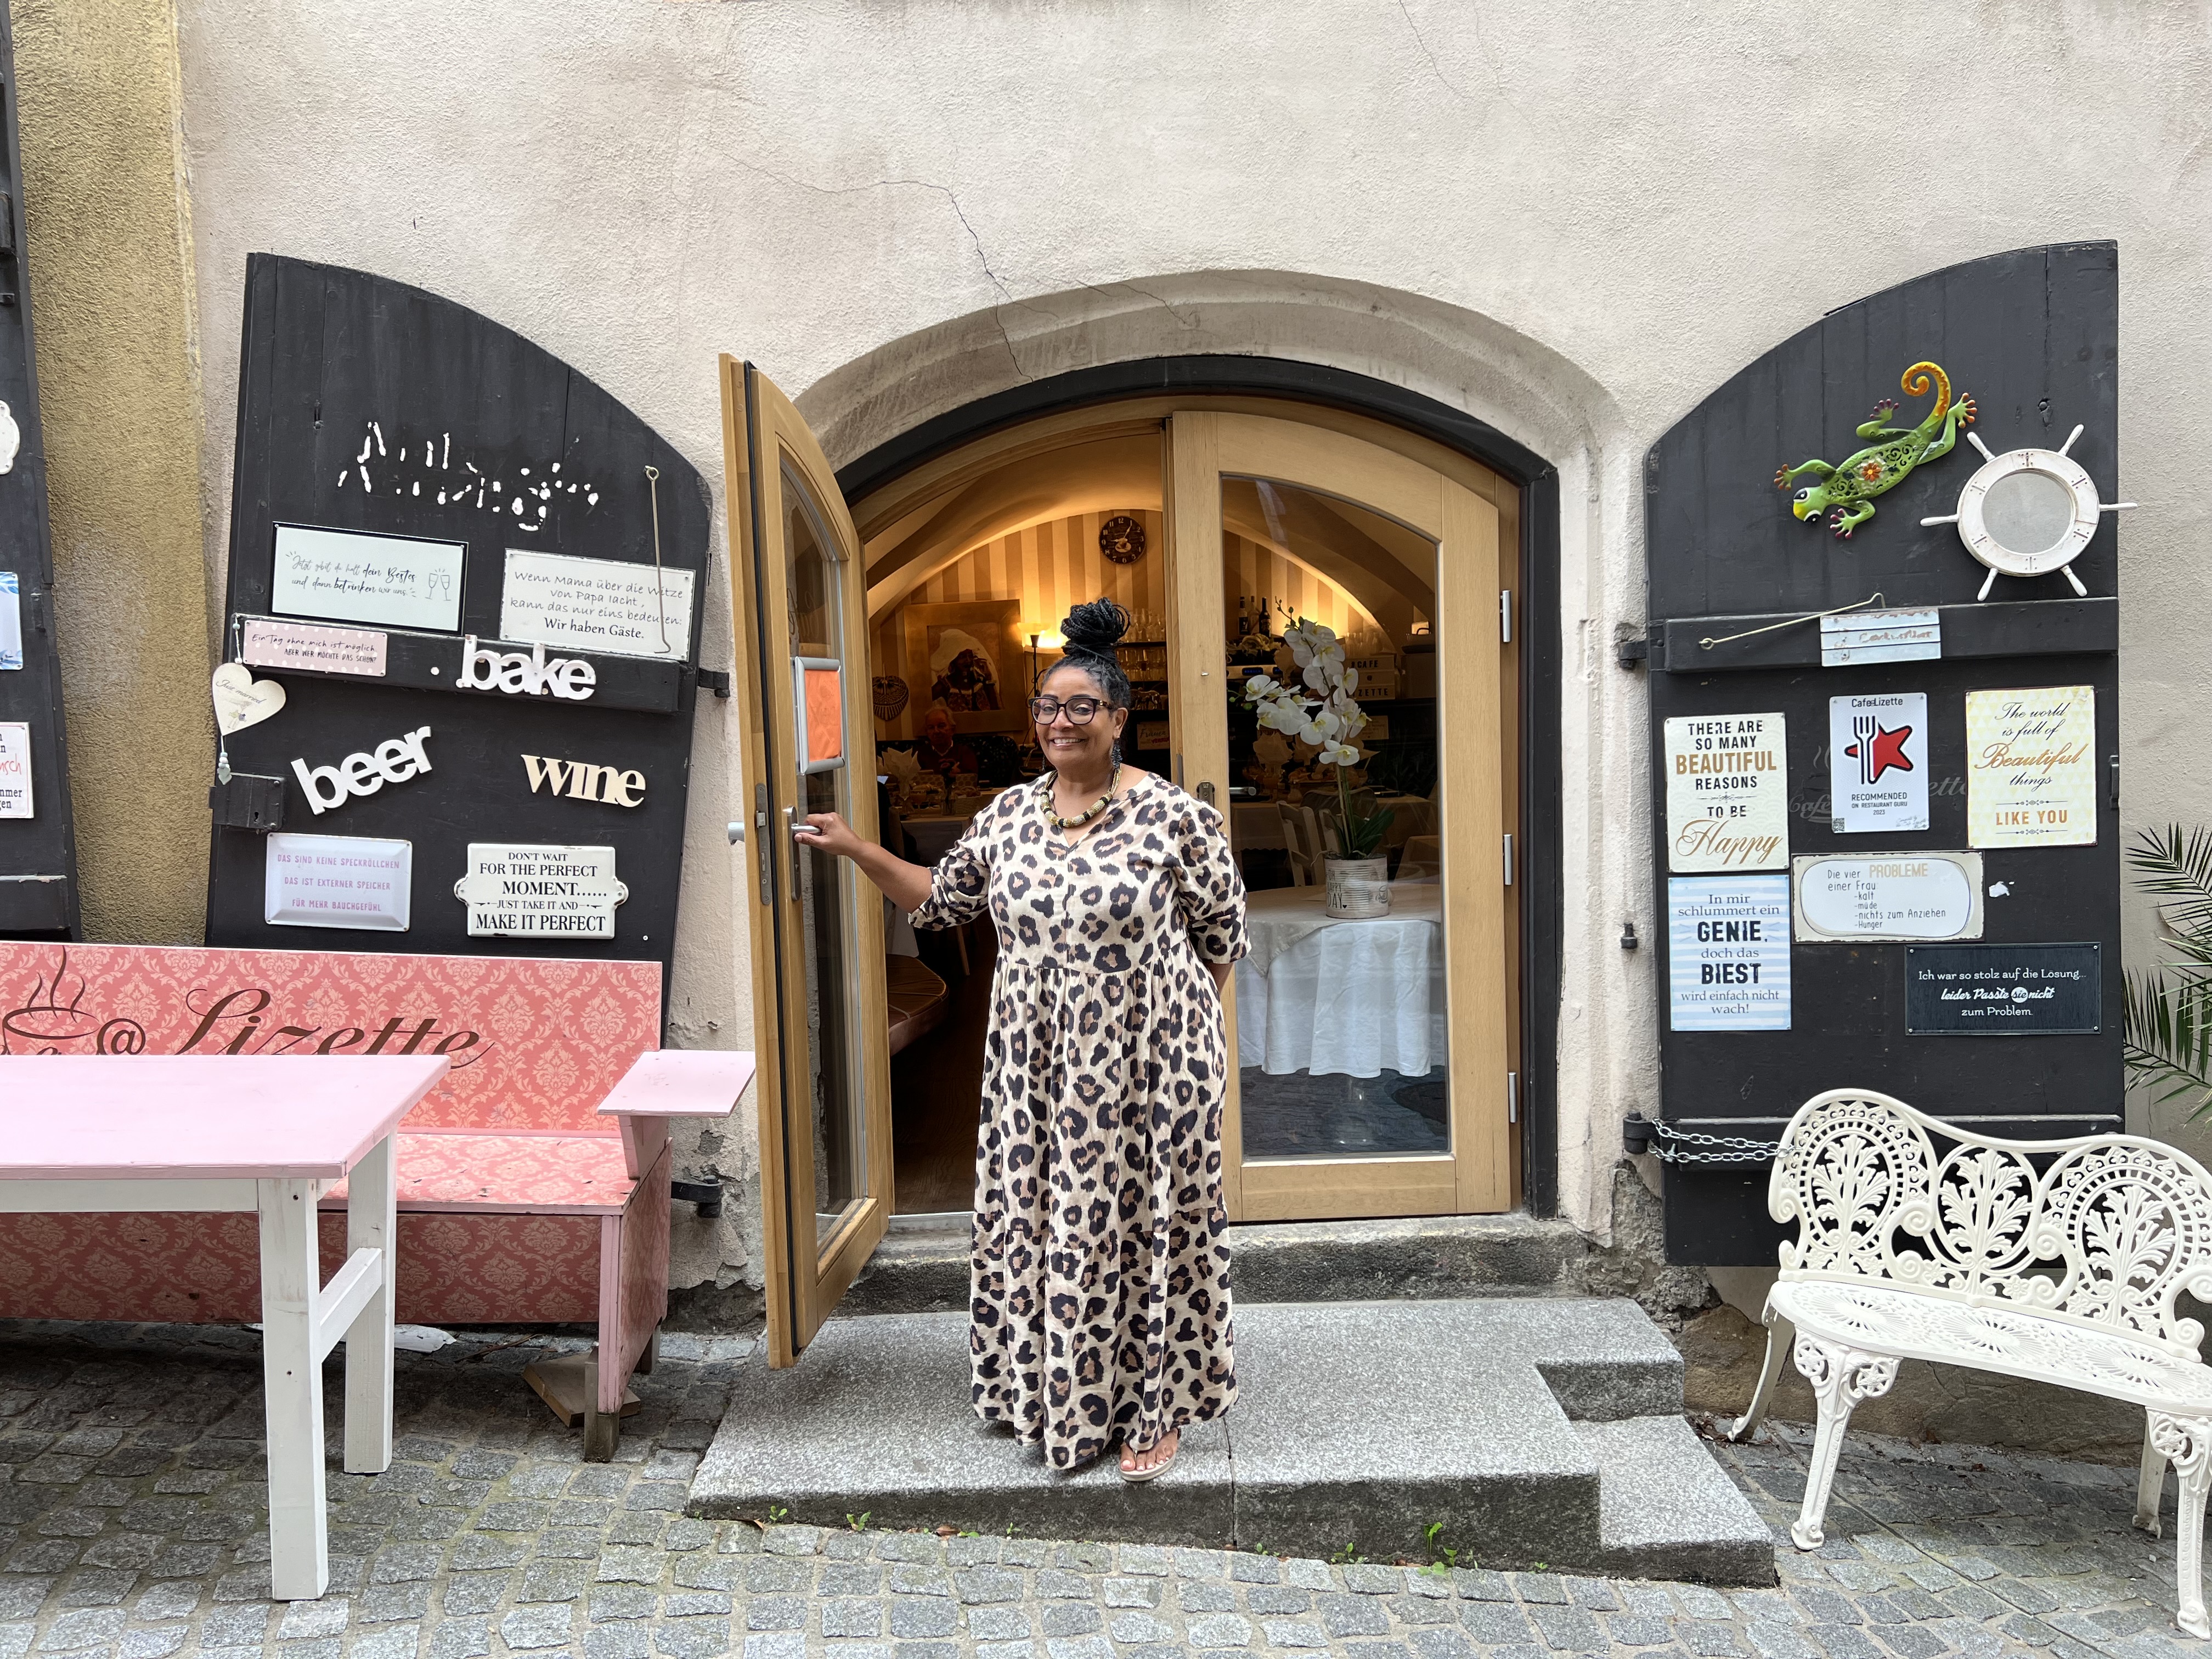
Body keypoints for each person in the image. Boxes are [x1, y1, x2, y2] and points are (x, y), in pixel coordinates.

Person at [796, 598, 1246, 1480]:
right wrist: (855, 848)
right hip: (1033, 1069)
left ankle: (1153, 1408)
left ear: (1120, 717)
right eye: (1048, 706)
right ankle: (1052, 1393)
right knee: (1047, 1219)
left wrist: (1171, 1026)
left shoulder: (1173, 816)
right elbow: (942, 900)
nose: (1060, 722)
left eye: (1082, 707)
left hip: (1153, 1066)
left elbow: (1223, 936)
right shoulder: (1007, 816)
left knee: (1144, 1225)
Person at [916, 702, 980, 786]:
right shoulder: (919, 756)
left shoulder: (965, 753)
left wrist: (959, 775)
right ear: (926, 732)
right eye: (931, 728)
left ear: (952, 729)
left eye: (941, 726)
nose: (936, 731)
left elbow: (972, 782)